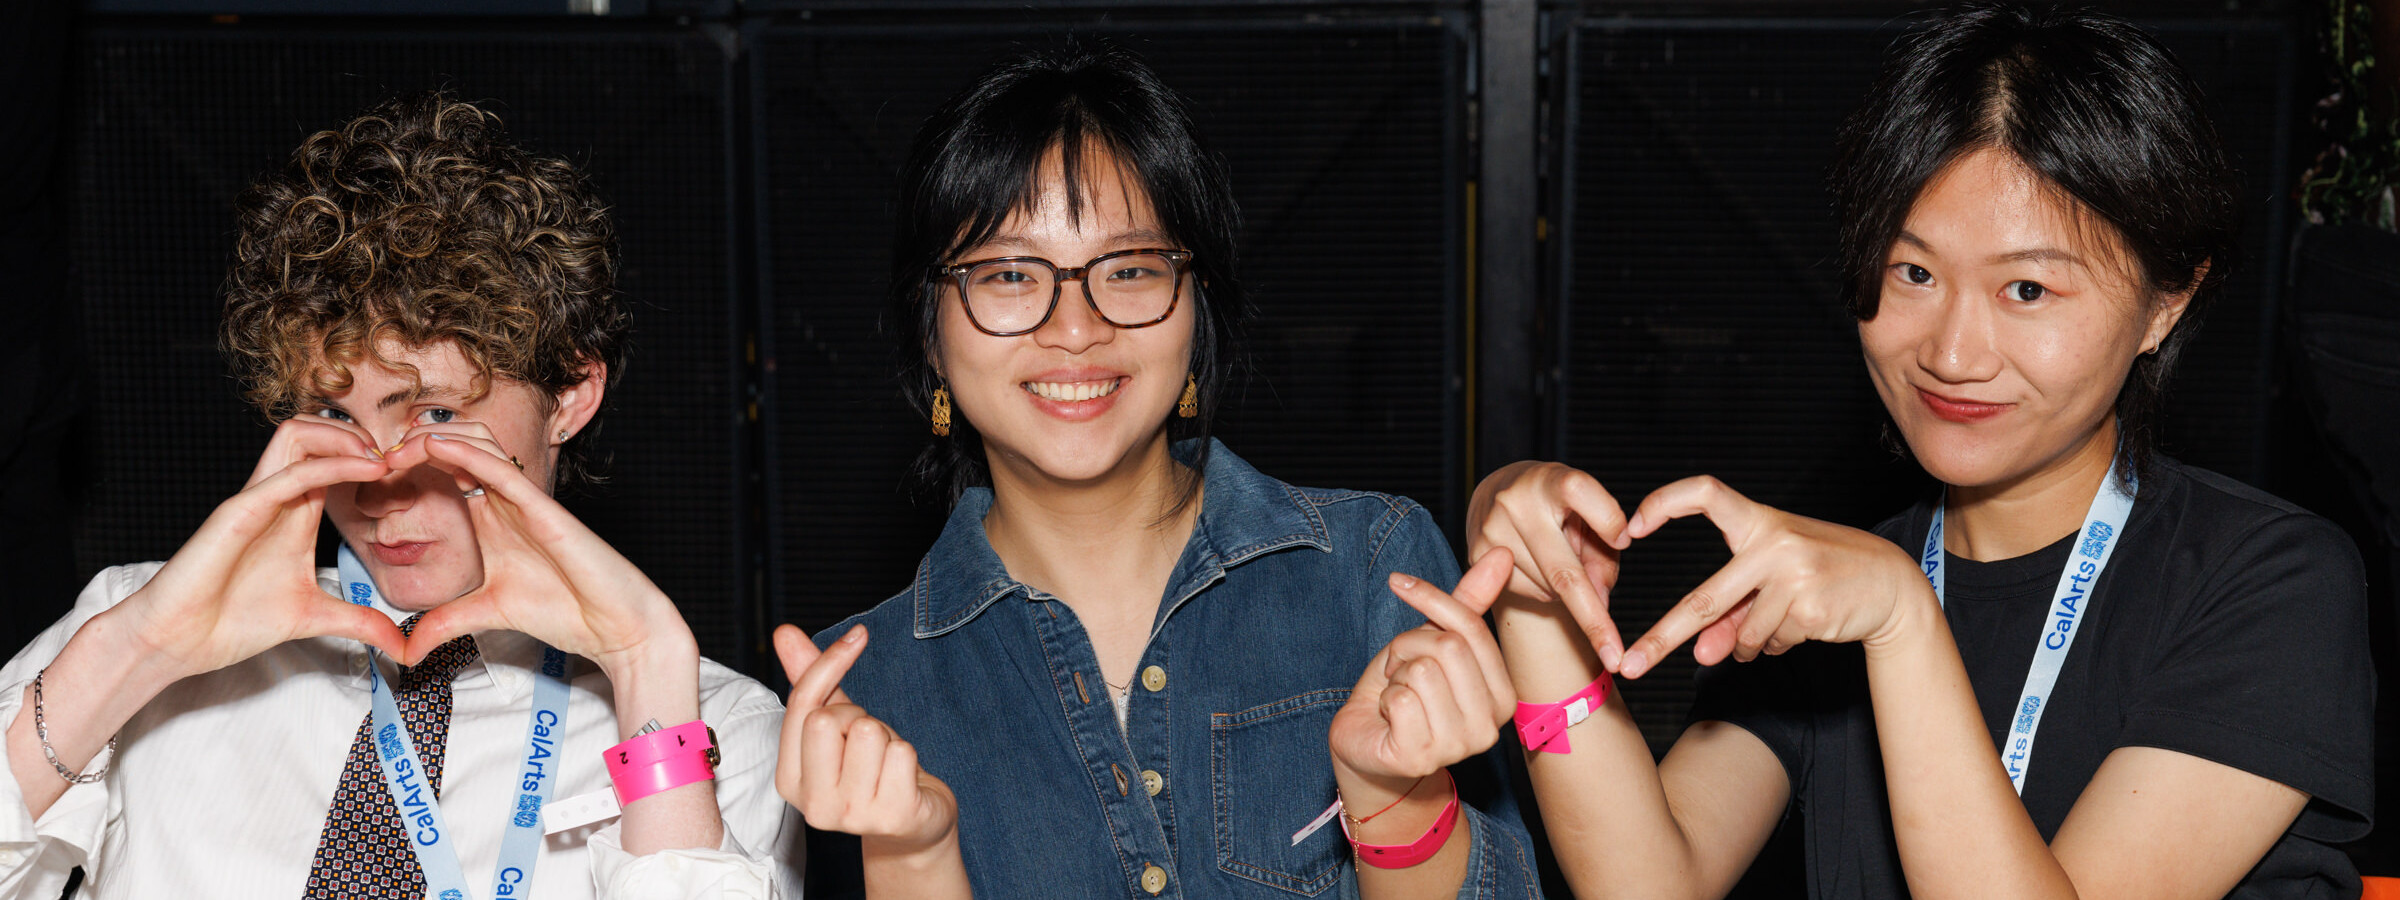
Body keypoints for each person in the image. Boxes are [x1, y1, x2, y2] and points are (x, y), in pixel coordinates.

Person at [1457, 5, 2374, 898]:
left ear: (2165, 303)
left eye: (2026, 288)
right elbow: (1644, 881)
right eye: (1914, 272)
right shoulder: (1841, 579)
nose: (1950, 354)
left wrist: (1904, 622)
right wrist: (1539, 606)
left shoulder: (2272, 582)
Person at [766, 44, 1541, 898]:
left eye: (1130, 270)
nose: (1074, 327)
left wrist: (1398, 805)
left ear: (1196, 308)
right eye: (1011, 274)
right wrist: (913, 859)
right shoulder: (856, 692)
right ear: (931, 333)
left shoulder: (1372, 571)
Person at [0, 94, 800, 898]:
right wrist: (128, 656)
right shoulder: (130, 629)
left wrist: (643, 667)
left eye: (436, 414)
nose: (379, 480)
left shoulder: (712, 724)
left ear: (570, 396)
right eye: (332, 414)